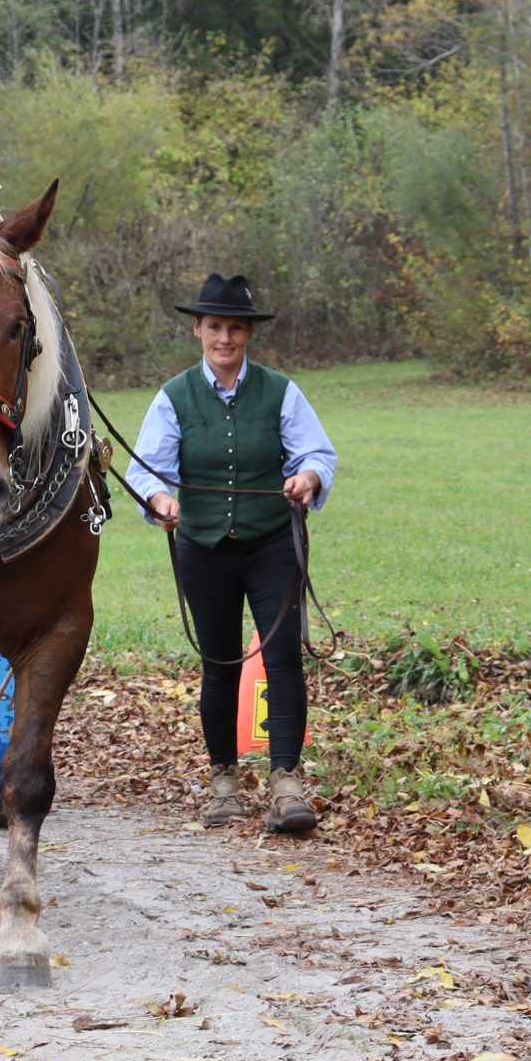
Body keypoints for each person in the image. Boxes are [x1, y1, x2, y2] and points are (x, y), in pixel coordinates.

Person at [124, 273, 337, 834]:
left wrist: (309, 477)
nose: (225, 338)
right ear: (198, 329)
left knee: (282, 657)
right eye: (215, 326)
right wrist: (161, 499)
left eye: (235, 328)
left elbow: (317, 450)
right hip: (204, 547)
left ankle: (287, 783)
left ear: (248, 334)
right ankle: (224, 781)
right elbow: (145, 469)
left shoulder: (280, 390)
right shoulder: (173, 397)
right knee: (218, 663)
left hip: (272, 544)